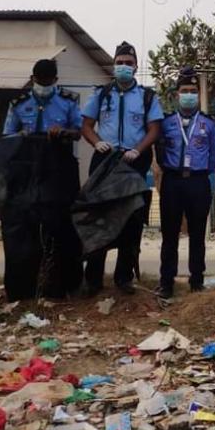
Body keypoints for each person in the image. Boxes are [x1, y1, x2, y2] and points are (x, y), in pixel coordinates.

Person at [81, 42, 164, 295]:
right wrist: (97, 142)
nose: (124, 67)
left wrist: (138, 150)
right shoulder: (101, 94)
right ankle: (93, 280)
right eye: (120, 63)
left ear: (136, 67)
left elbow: (154, 129)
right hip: (105, 162)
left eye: (129, 63)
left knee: (131, 220)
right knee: (100, 220)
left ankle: (124, 278)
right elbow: (86, 126)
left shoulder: (147, 97)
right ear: (113, 65)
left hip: (133, 162)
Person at [0, 58, 83, 300]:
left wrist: (63, 132)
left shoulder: (68, 101)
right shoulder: (19, 103)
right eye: (39, 81)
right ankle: (22, 289)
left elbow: (78, 132)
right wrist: (20, 135)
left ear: (55, 80)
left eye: (48, 82)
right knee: (22, 228)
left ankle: (61, 287)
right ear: (32, 79)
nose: (43, 86)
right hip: (25, 173)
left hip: (58, 173)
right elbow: (6, 137)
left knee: (60, 227)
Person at [155, 67, 215, 299]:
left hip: (198, 182)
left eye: (193, 91)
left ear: (198, 95)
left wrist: (200, 172)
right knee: (170, 235)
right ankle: (166, 282)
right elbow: (159, 152)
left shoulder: (208, 123)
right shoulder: (166, 123)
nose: (189, 95)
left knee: (197, 234)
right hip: (172, 182)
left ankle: (196, 280)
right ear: (176, 94)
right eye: (185, 91)